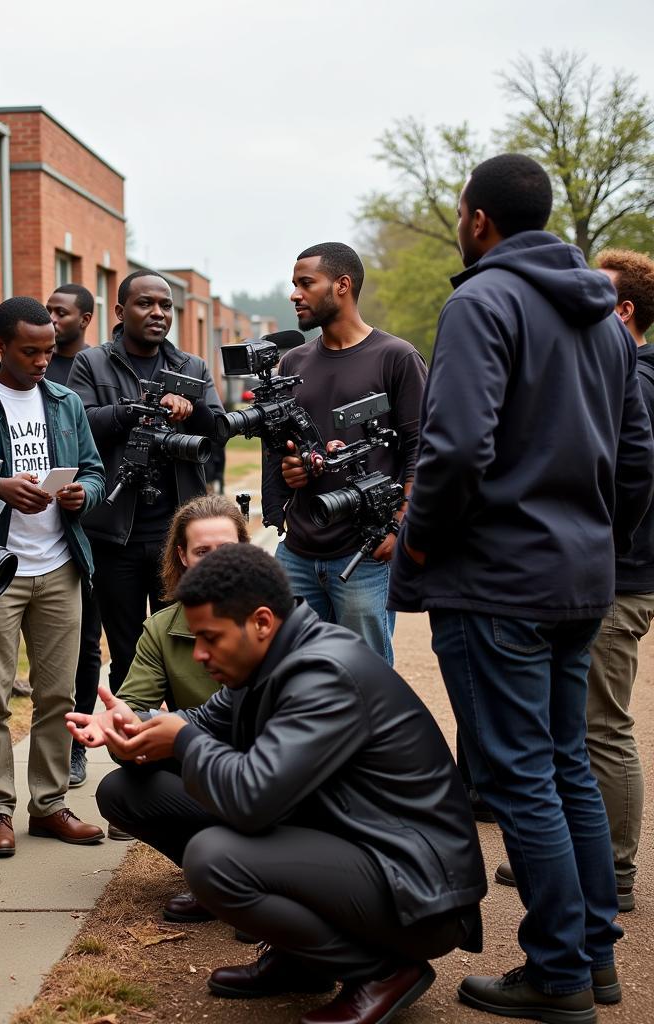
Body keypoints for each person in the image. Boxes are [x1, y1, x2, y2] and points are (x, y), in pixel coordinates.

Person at [390, 154, 654, 1022]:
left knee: (520, 777)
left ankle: (558, 975)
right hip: (582, 580)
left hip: (499, 584)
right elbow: (639, 456)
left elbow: (456, 448)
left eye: (464, 209)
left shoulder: (481, 302)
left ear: (478, 221)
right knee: (565, 762)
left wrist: (421, 543)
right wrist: (596, 540)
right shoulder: (608, 320)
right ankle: (595, 960)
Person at [69, 545, 486, 1024]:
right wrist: (133, 725)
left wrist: (180, 740)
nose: (199, 654)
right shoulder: (270, 659)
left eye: (209, 638)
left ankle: (382, 972)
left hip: (416, 891)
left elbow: (250, 799)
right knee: (128, 791)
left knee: (215, 859)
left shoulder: (322, 673)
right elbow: (203, 721)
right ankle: (305, 961)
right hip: (362, 851)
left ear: (262, 622)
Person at [493, 247, 654, 913]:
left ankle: (610, 873)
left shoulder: (634, 376)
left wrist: (602, 550)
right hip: (614, 571)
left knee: (600, 727)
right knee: (582, 729)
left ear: (623, 311)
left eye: (595, 298)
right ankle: (578, 861)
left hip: (618, 577)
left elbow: (631, 473)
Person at [0, 296, 106, 857]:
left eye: (49, 350)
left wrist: (80, 494)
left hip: (60, 565)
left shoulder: (66, 401)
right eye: (30, 351)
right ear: (0, 346)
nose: (44, 361)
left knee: (58, 694)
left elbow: (94, 470)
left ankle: (48, 805)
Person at [263, 242, 427, 666]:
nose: (294, 294)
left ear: (342, 285)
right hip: (297, 551)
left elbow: (420, 449)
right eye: (293, 284)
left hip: (365, 554)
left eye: (305, 283)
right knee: (296, 674)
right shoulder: (293, 363)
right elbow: (279, 447)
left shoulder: (397, 357)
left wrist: (398, 526)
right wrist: (289, 474)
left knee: (365, 678)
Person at [67, 270, 225, 704]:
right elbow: (81, 424)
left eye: (165, 305)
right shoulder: (91, 363)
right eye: (145, 303)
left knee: (188, 643)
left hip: (176, 538)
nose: (157, 313)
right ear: (119, 311)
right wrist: (140, 410)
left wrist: (189, 409)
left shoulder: (191, 367)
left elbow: (217, 431)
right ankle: (132, 746)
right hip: (115, 534)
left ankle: (190, 746)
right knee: (127, 652)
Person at [105, 493, 248, 853]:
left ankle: (248, 861)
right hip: (204, 764)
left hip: (271, 769)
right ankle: (211, 866)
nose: (215, 563)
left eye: (226, 549)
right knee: (117, 789)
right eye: (202, 552)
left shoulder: (275, 616)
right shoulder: (162, 628)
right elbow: (133, 708)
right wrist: (123, 727)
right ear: (182, 556)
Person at [43, 283, 102, 778]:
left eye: (60, 313)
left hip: (90, 529)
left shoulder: (94, 369)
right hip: (45, 538)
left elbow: (92, 456)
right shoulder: (29, 371)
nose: (51, 319)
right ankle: (66, 746)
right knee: (75, 644)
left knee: (89, 648)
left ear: (85, 318)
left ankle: (79, 743)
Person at [44, 282, 94, 386]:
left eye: (61, 313)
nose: (51, 319)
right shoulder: (38, 363)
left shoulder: (98, 366)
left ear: (84, 320)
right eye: (48, 311)